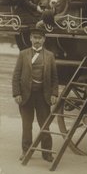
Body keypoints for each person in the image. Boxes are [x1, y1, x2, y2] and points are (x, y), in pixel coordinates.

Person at [12, 27, 58, 162]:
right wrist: (16, 93)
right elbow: (16, 76)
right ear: (30, 38)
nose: (37, 40)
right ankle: (26, 151)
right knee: (27, 125)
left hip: (43, 97)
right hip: (26, 96)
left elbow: (55, 78)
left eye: (39, 38)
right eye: (34, 37)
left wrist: (54, 93)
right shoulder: (23, 54)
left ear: (44, 40)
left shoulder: (50, 56)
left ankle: (47, 153)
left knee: (45, 125)